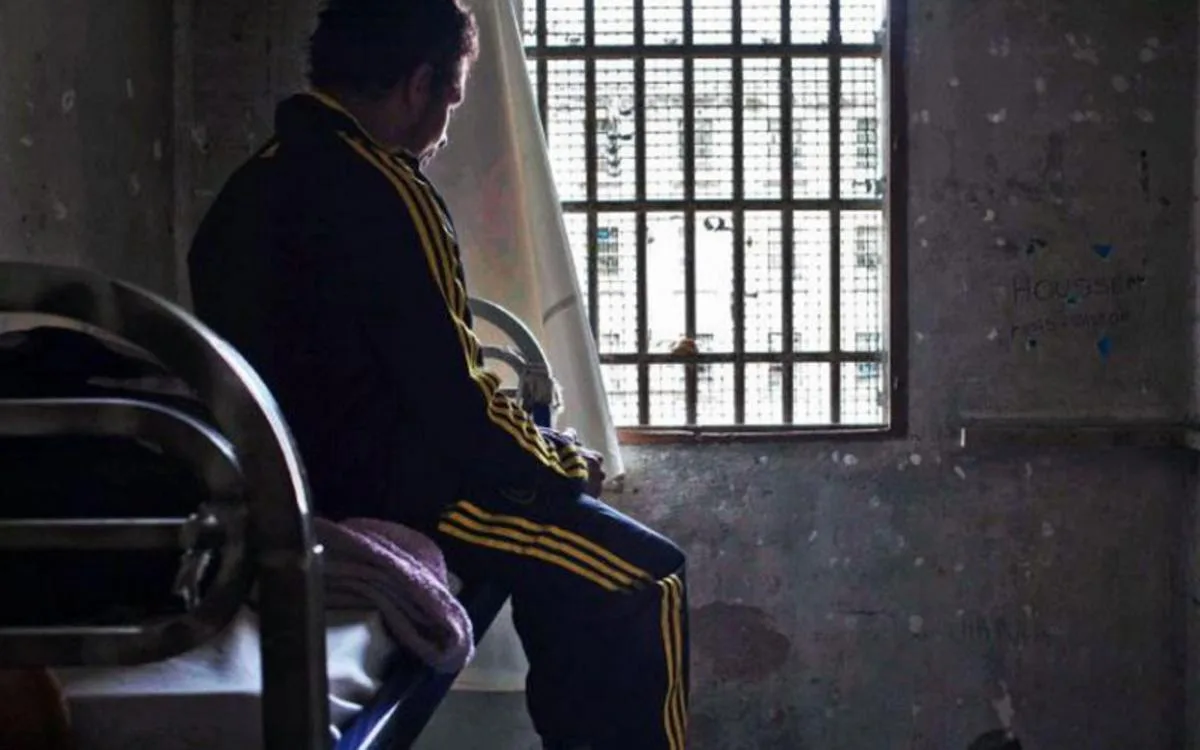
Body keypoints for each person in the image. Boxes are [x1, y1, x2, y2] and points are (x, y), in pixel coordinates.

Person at [186, 0, 689, 747]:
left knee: (577, 577)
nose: (446, 126)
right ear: (418, 84)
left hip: (286, 488)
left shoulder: (243, 196)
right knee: (646, 577)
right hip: (397, 495)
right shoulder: (387, 188)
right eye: (450, 98)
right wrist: (559, 463)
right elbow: (457, 403)